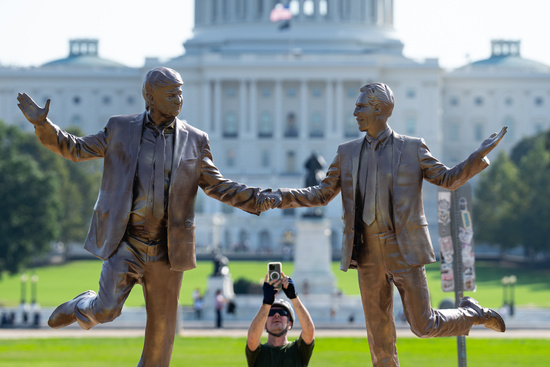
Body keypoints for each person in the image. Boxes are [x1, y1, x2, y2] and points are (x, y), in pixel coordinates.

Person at [16, 67, 267, 367]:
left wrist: (259, 198)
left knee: (159, 349)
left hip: (167, 249)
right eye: (171, 94)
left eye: (181, 93)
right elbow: (76, 149)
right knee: (107, 310)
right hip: (127, 241)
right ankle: (82, 305)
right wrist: (44, 125)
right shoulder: (121, 128)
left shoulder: (195, 140)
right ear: (149, 96)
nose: (179, 100)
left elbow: (219, 186)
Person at [259, 82, 507, 366]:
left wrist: (478, 156)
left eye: (361, 107)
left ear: (380, 110)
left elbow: (448, 179)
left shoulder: (412, 148)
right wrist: (280, 195)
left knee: (423, 326)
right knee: (380, 345)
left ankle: (471, 313)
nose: (354, 112)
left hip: (404, 249)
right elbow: (321, 194)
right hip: (367, 256)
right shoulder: (346, 153)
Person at [246, 272, 315, 367]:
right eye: (271, 313)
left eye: (282, 312)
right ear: (264, 324)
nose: (277, 315)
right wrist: (266, 303)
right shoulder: (259, 352)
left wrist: (294, 297)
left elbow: (309, 331)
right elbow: (252, 338)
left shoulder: (298, 350)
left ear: (290, 324)